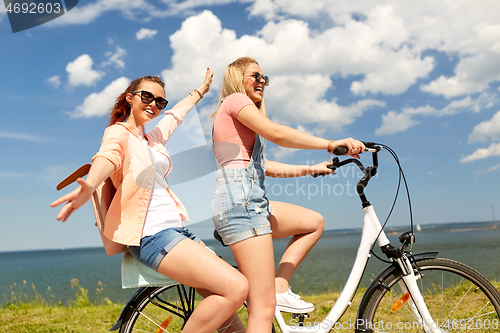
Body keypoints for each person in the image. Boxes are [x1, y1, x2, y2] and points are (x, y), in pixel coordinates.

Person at [51, 69, 248, 333]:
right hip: (153, 235)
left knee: (226, 310)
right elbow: (107, 157)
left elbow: (176, 117)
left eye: (160, 101)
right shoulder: (119, 133)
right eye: (147, 97)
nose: (153, 104)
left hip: (177, 231)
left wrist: (200, 91)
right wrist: (90, 185)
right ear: (129, 98)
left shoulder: (151, 139)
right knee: (236, 287)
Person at [210, 57, 365, 333]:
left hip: (242, 201)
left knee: (313, 222)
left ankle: (280, 284)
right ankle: (274, 292)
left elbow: (263, 166)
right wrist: (331, 144)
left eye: (264, 78)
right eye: (255, 76)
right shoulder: (234, 101)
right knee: (262, 308)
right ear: (236, 79)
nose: (262, 81)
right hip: (243, 204)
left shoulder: (236, 118)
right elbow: (278, 133)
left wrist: (309, 169)